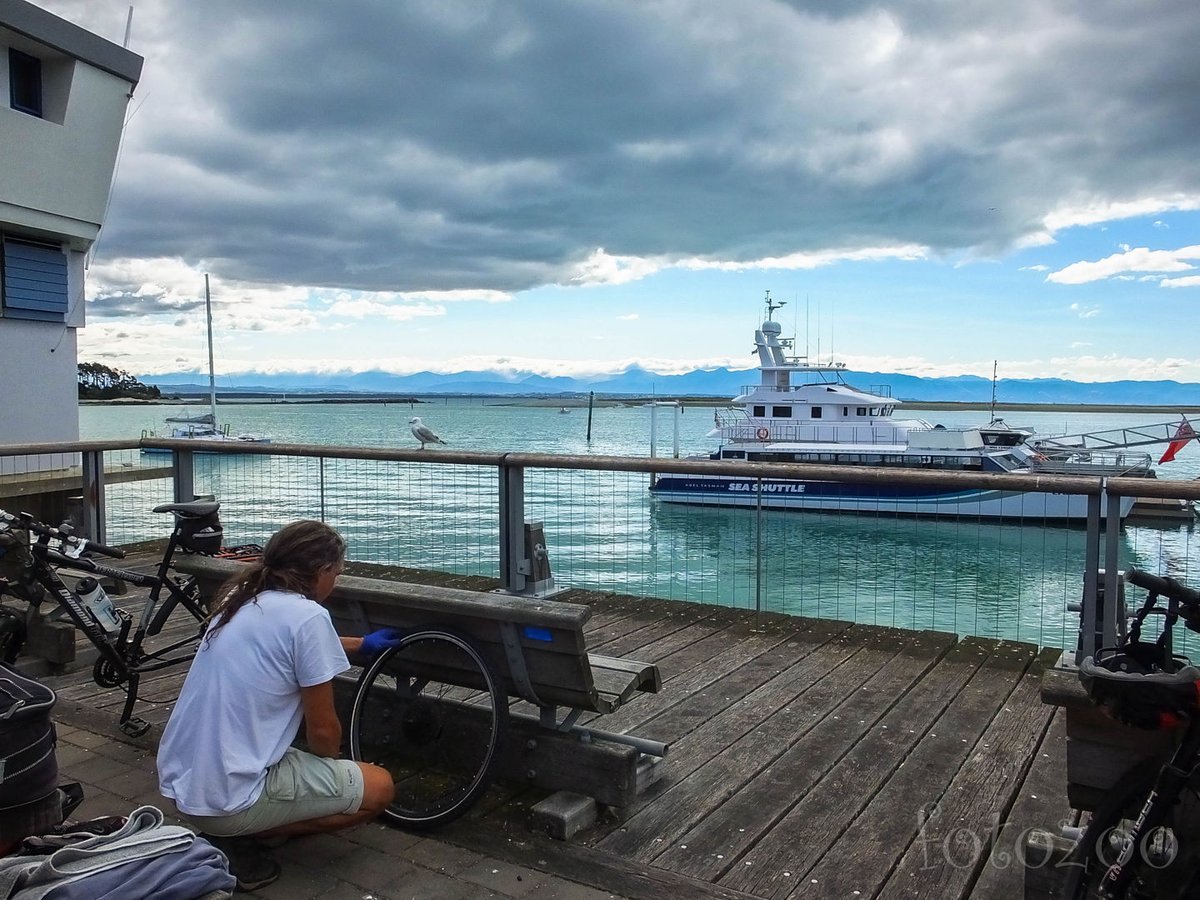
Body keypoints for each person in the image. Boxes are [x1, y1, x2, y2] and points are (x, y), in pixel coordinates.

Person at [156, 520, 403, 890]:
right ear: (321, 572)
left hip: (185, 781)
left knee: (306, 768)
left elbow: (285, 643)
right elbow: (322, 735)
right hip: (226, 800)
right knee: (379, 787)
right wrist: (331, 764)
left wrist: (357, 645)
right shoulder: (309, 616)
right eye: (336, 573)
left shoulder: (240, 596)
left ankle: (248, 824)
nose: (335, 581)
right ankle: (241, 838)